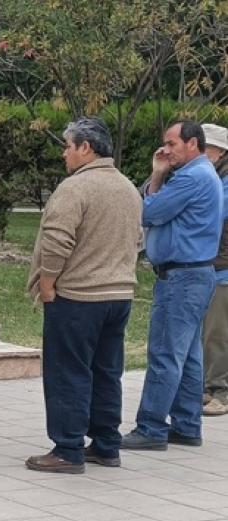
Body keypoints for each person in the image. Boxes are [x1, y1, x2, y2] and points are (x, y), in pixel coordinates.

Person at [23, 117, 142, 474]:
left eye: (67, 146)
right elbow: (137, 241)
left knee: (67, 371)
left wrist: (47, 285)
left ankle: (68, 449)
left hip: (78, 297)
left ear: (85, 148)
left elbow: (57, 240)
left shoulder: (75, 188)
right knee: (106, 371)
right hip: (119, 294)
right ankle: (106, 445)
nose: (64, 154)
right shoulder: (128, 187)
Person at [122, 121, 223, 450]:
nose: (164, 150)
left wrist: (156, 174)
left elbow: (147, 211)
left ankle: (151, 427)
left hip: (183, 278)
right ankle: (186, 425)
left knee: (165, 353)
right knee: (189, 355)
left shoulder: (193, 176)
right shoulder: (201, 173)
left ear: (192, 144)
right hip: (193, 275)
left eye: (171, 144)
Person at [200, 124, 228, 416]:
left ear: (220, 151)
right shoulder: (215, 177)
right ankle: (208, 388)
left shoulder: (222, 181)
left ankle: (221, 391)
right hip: (213, 267)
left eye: (205, 147)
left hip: (223, 269)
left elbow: (213, 213)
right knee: (207, 333)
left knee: (217, 334)